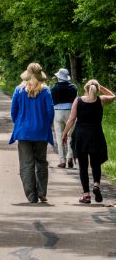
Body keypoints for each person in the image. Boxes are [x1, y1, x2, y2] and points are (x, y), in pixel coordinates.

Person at [61, 80, 115, 204]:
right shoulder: (100, 100)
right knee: (96, 163)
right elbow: (113, 96)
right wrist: (101, 87)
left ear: (85, 88)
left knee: (83, 167)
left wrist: (64, 134)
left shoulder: (78, 100)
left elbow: (71, 119)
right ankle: (96, 185)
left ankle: (86, 195)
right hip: (96, 135)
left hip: (80, 136)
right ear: (97, 88)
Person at [9, 62, 55, 203]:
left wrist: (21, 123)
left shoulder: (19, 90)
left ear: (27, 74)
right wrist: (45, 125)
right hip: (41, 132)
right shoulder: (46, 91)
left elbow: (13, 112)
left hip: (24, 132)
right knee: (41, 162)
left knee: (26, 164)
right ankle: (42, 192)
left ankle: (31, 195)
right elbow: (50, 112)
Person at [50, 68, 77, 169]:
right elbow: (76, 101)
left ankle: (62, 160)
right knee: (70, 135)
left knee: (59, 136)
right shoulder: (73, 87)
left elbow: (51, 102)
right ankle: (70, 157)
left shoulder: (53, 88)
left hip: (58, 113)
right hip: (71, 112)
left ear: (58, 77)